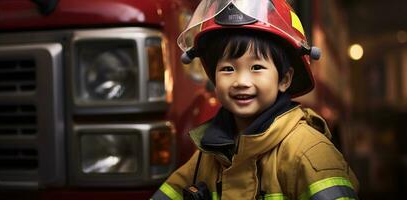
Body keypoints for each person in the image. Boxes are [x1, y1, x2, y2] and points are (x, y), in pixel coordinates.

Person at [151, 0, 359, 199]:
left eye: (257, 67)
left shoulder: (310, 153)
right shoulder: (208, 154)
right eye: (228, 69)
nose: (241, 81)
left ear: (284, 79)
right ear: (214, 78)